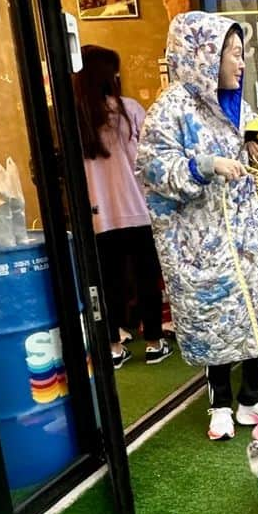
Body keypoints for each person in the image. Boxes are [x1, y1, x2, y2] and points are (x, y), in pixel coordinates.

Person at [137, 13, 258, 441]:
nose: (240, 64)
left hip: (248, 234)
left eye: (242, 55)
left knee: (256, 314)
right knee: (215, 317)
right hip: (203, 241)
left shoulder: (237, 106)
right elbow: (152, 168)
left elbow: (248, 154)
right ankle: (220, 402)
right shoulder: (171, 109)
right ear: (203, 55)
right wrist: (204, 166)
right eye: (233, 55)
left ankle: (252, 398)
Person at [73, 45, 170, 370]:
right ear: (109, 75)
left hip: (99, 218)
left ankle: (114, 345)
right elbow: (151, 162)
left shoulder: (77, 120)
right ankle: (155, 342)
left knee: (109, 283)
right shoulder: (131, 111)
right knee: (147, 279)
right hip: (140, 211)